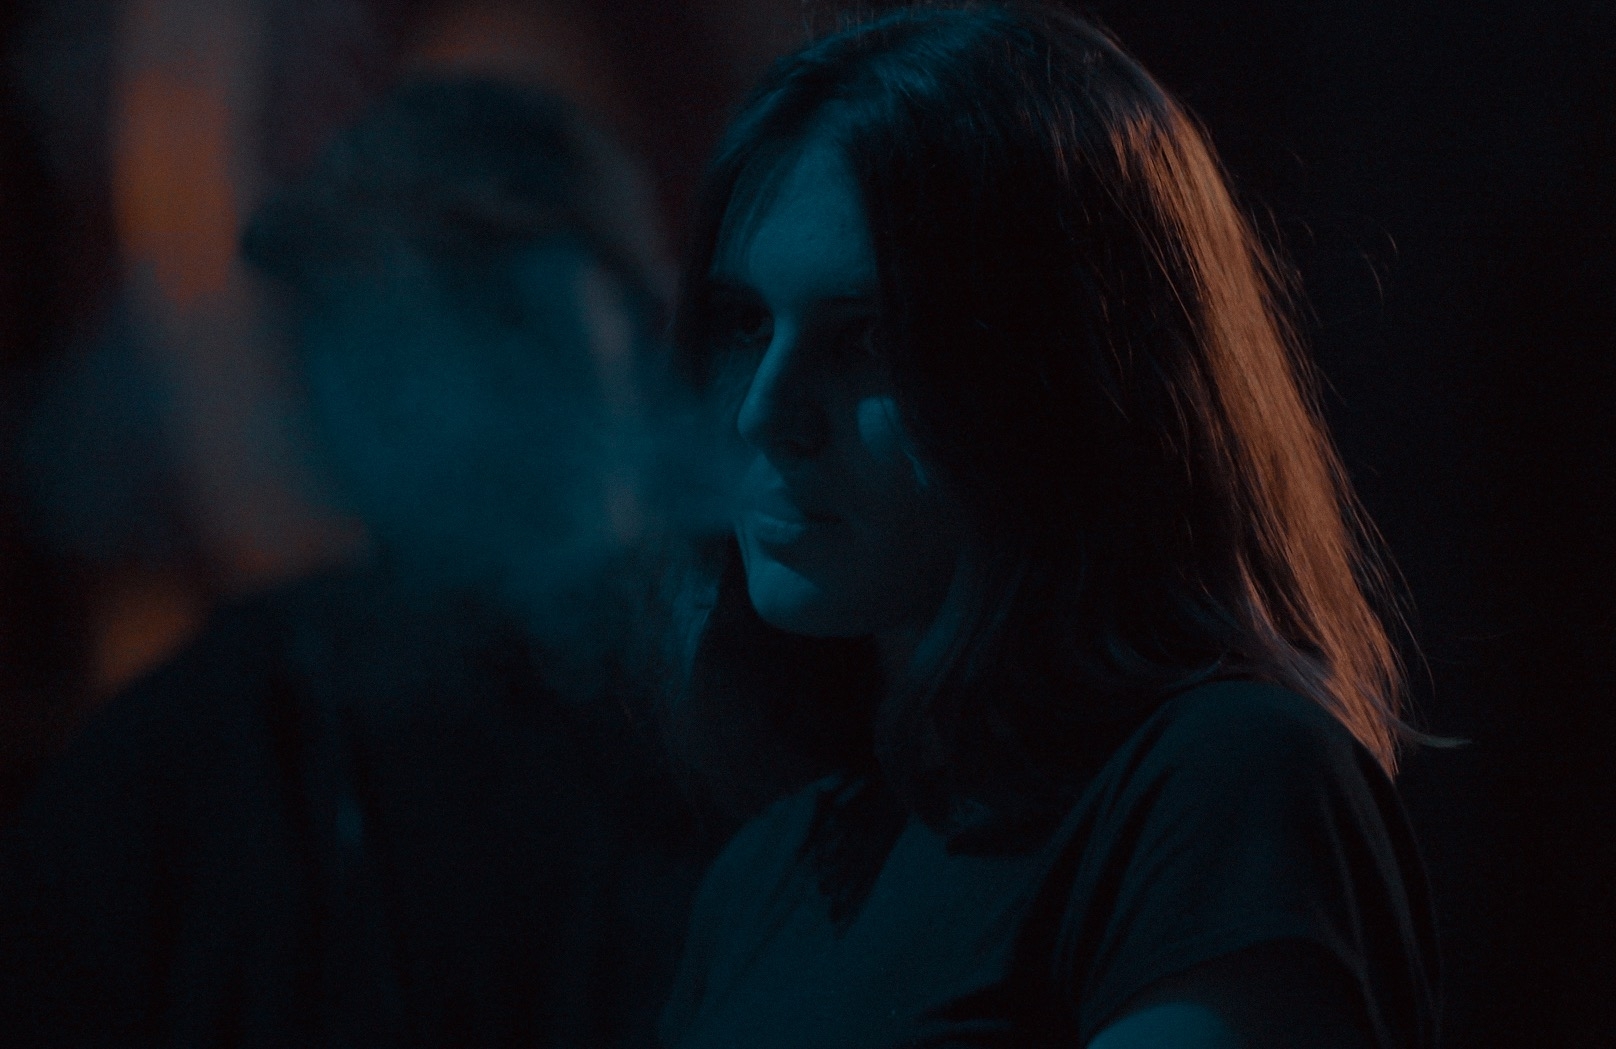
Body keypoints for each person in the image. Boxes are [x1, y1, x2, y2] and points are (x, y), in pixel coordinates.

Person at [653, 5, 1441, 1048]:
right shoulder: (771, 873)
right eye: (745, 324)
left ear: (1062, 380)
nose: (765, 411)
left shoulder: (1222, 783)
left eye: (869, 338)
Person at [0, 77, 710, 1048]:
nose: (402, 369)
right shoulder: (202, 753)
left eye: (487, 300)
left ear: (640, 323)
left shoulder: (769, 704)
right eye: (344, 309)